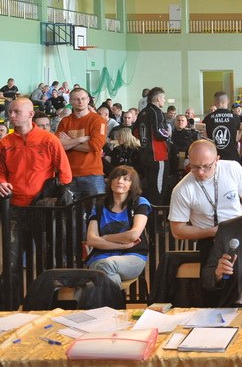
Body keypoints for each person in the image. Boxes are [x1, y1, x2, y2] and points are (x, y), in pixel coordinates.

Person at [0, 98, 72, 306]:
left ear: (31, 114)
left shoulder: (48, 140)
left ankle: (45, 305)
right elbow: (1, 172)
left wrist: (56, 195)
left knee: (47, 260)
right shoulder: (5, 143)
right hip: (14, 208)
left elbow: (65, 173)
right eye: (10, 112)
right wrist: (1, 182)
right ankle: (9, 308)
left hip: (42, 209)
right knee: (11, 262)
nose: (11, 115)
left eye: (16, 112)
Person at [169, 139, 242, 266]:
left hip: (240, 233)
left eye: (206, 167)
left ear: (217, 159)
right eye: (194, 167)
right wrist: (213, 231)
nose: (200, 172)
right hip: (209, 240)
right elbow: (177, 230)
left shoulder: (232, 168)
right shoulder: (181, 189)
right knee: (212, 276)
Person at [85, 166, 151, 287]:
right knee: (104, 272)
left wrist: (105, 237)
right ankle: (116, 298)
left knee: (103, 270)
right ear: (110, 181)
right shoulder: (99, 206)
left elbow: (133, 235)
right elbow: (91, 240)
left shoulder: (139, 203)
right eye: (116, 177)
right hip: (99, 257)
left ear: (132, 185)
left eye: (126, 179)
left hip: (133, 256)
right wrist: (122, 245)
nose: (120, 181)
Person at [57, 88, 107, 200]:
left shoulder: (98, 120)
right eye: (76, 99)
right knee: (70, 209)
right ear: (70, 101)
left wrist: (69, 142)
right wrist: (80, 139)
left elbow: (95, 146)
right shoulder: (65, 121)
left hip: (92, 174)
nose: (80, 102)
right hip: (69, 174)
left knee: (96, 208)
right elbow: (59, 145)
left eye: (83, 99)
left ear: (88, 100)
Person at [135, 86, 172, 205]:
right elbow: (159, 133)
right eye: (163, 98)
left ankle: (146, 210)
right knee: (159, 188)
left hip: (145, 154)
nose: (164, 100)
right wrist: (168, 133)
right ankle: (157, 212)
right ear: (158, 99)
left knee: (148, 185)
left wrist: (145, 140)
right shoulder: (157, 112)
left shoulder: (142, 112)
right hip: (158, 155)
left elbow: (134, 131)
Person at [202, 91, 241, 162]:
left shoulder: (208, 118)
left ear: (215, 102)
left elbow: (205, 138)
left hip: (214, 158)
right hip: (232, 158)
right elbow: (237, 139)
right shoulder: (235, 118)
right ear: (228, 101)